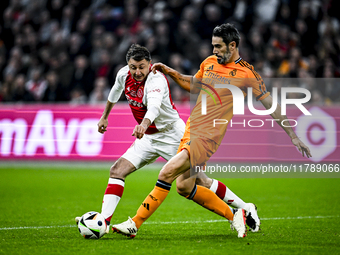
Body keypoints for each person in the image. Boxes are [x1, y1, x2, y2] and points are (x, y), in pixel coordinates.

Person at [112, 24, 312, 238]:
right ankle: (241, 211)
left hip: (208, 136)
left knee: (166, 173)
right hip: (191, 129)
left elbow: (270, 104)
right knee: (184, 187)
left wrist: (293, 135)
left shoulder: (247, 73)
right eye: (213, 46)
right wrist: (170, 72)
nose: (214, 50)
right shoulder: (209, 62)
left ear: (232, 45)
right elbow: (194, 85)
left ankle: (134, 223)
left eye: (218, 46)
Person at [75, 44, 260, 236]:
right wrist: (105, 116)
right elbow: (115, 91)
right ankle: (104, 222)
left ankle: (245, 208)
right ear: (127, 65)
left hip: (172, 136)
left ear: (149, 64)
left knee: (195, 184)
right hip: (148, 138)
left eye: (141, 67)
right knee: (117, 170)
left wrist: (143, 124)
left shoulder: (156, 80)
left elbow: (153, 108)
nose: (137, 72)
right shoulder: (124, 74)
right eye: (133, 67)